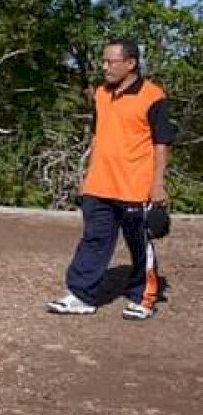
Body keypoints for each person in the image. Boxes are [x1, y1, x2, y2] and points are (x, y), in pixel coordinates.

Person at [46, 39, 176, 321]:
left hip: (135, 185)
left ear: (131, 63)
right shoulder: (101, 95)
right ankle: (81, 295)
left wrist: (157, 184)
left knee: (139, 243)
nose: (105, 67)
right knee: (94, 240)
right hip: (100, 185)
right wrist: (87, 176)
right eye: (103, 62)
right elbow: (99, 136)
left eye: (111, 62)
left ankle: (144, 297)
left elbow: (161, 142)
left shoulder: (153, 96)